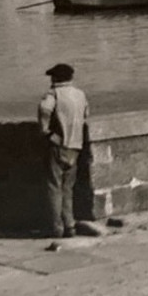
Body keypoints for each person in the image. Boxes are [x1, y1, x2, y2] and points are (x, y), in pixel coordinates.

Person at [37, 62, 89, 246]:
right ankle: (70, 225)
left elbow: (44, 110)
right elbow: (85, 116)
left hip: (58, 145)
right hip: (76, 146)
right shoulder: (80, 94)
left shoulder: (53, 94)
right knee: (68, 188)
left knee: (54, 187)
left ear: (55, 78)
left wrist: (46, 132)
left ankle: (56, 227)